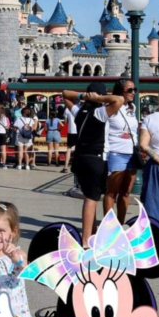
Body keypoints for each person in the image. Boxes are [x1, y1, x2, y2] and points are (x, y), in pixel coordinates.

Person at [62, 82, 124, 249]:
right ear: (99, 95)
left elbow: (65, 93)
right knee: (91, 199)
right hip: (95, 159)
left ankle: (93, 235)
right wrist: (99, 98)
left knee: (91, 197)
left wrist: (83, 96)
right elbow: (119, 99)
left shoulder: (79, 111)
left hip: (80, 159)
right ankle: (86, 241)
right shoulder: (100, 113)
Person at [104, 80, 140, 224]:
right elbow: (105, 132)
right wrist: (106, 154)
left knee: (126, 192)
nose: (133, 93)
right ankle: (109, 226)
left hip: (131, 153)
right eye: (129, 90)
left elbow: (134, 131)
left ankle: (120, 223)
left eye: (134, 90)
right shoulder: (110, 108)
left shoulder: (132, 107)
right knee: (112, 192)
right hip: (116, 152)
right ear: (120, 92)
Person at [140, 89, 159, 221]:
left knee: (153, 205)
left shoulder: (149, 119)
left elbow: (143, 145)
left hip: (157, 164)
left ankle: (155, 235)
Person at [62, 99, 80, 173]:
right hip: (79, 131)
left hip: (71, 131)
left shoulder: (67, 109)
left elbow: (65, 121)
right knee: (79, 149)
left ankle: (66, 167)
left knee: (68, 149)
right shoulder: (80, 108)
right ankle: (78, 166)